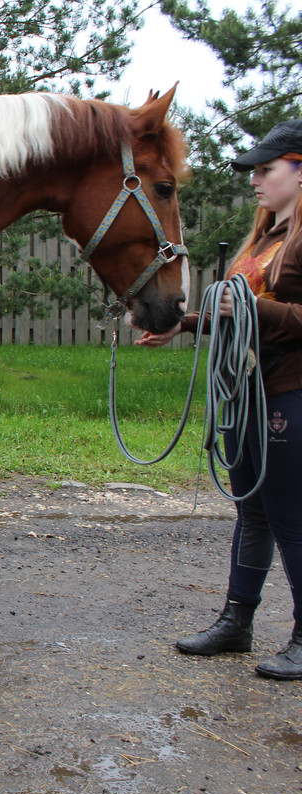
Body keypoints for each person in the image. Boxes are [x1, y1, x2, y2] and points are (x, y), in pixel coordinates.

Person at [136, 118, 302, 680]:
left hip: (289, 392)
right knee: (250, 509)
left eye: (266, 169)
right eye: (253, 171)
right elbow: (236, 307)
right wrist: (183, 325)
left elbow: (268, 312)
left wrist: (256, 311)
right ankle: (237, 622)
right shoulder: (263, 238)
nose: (255, 180)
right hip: (246, 392)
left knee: (289, 515)